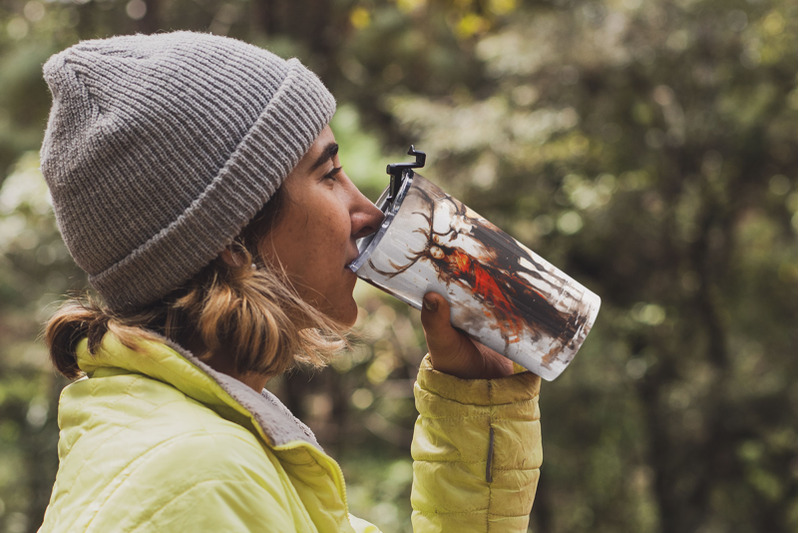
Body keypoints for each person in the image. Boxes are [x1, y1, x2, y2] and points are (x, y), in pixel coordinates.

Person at [37, 31, 542, 532]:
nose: (366, 211)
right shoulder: (201, 481)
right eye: (329, 174)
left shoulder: (213, 452)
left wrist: (479, 403)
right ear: (231, 240)